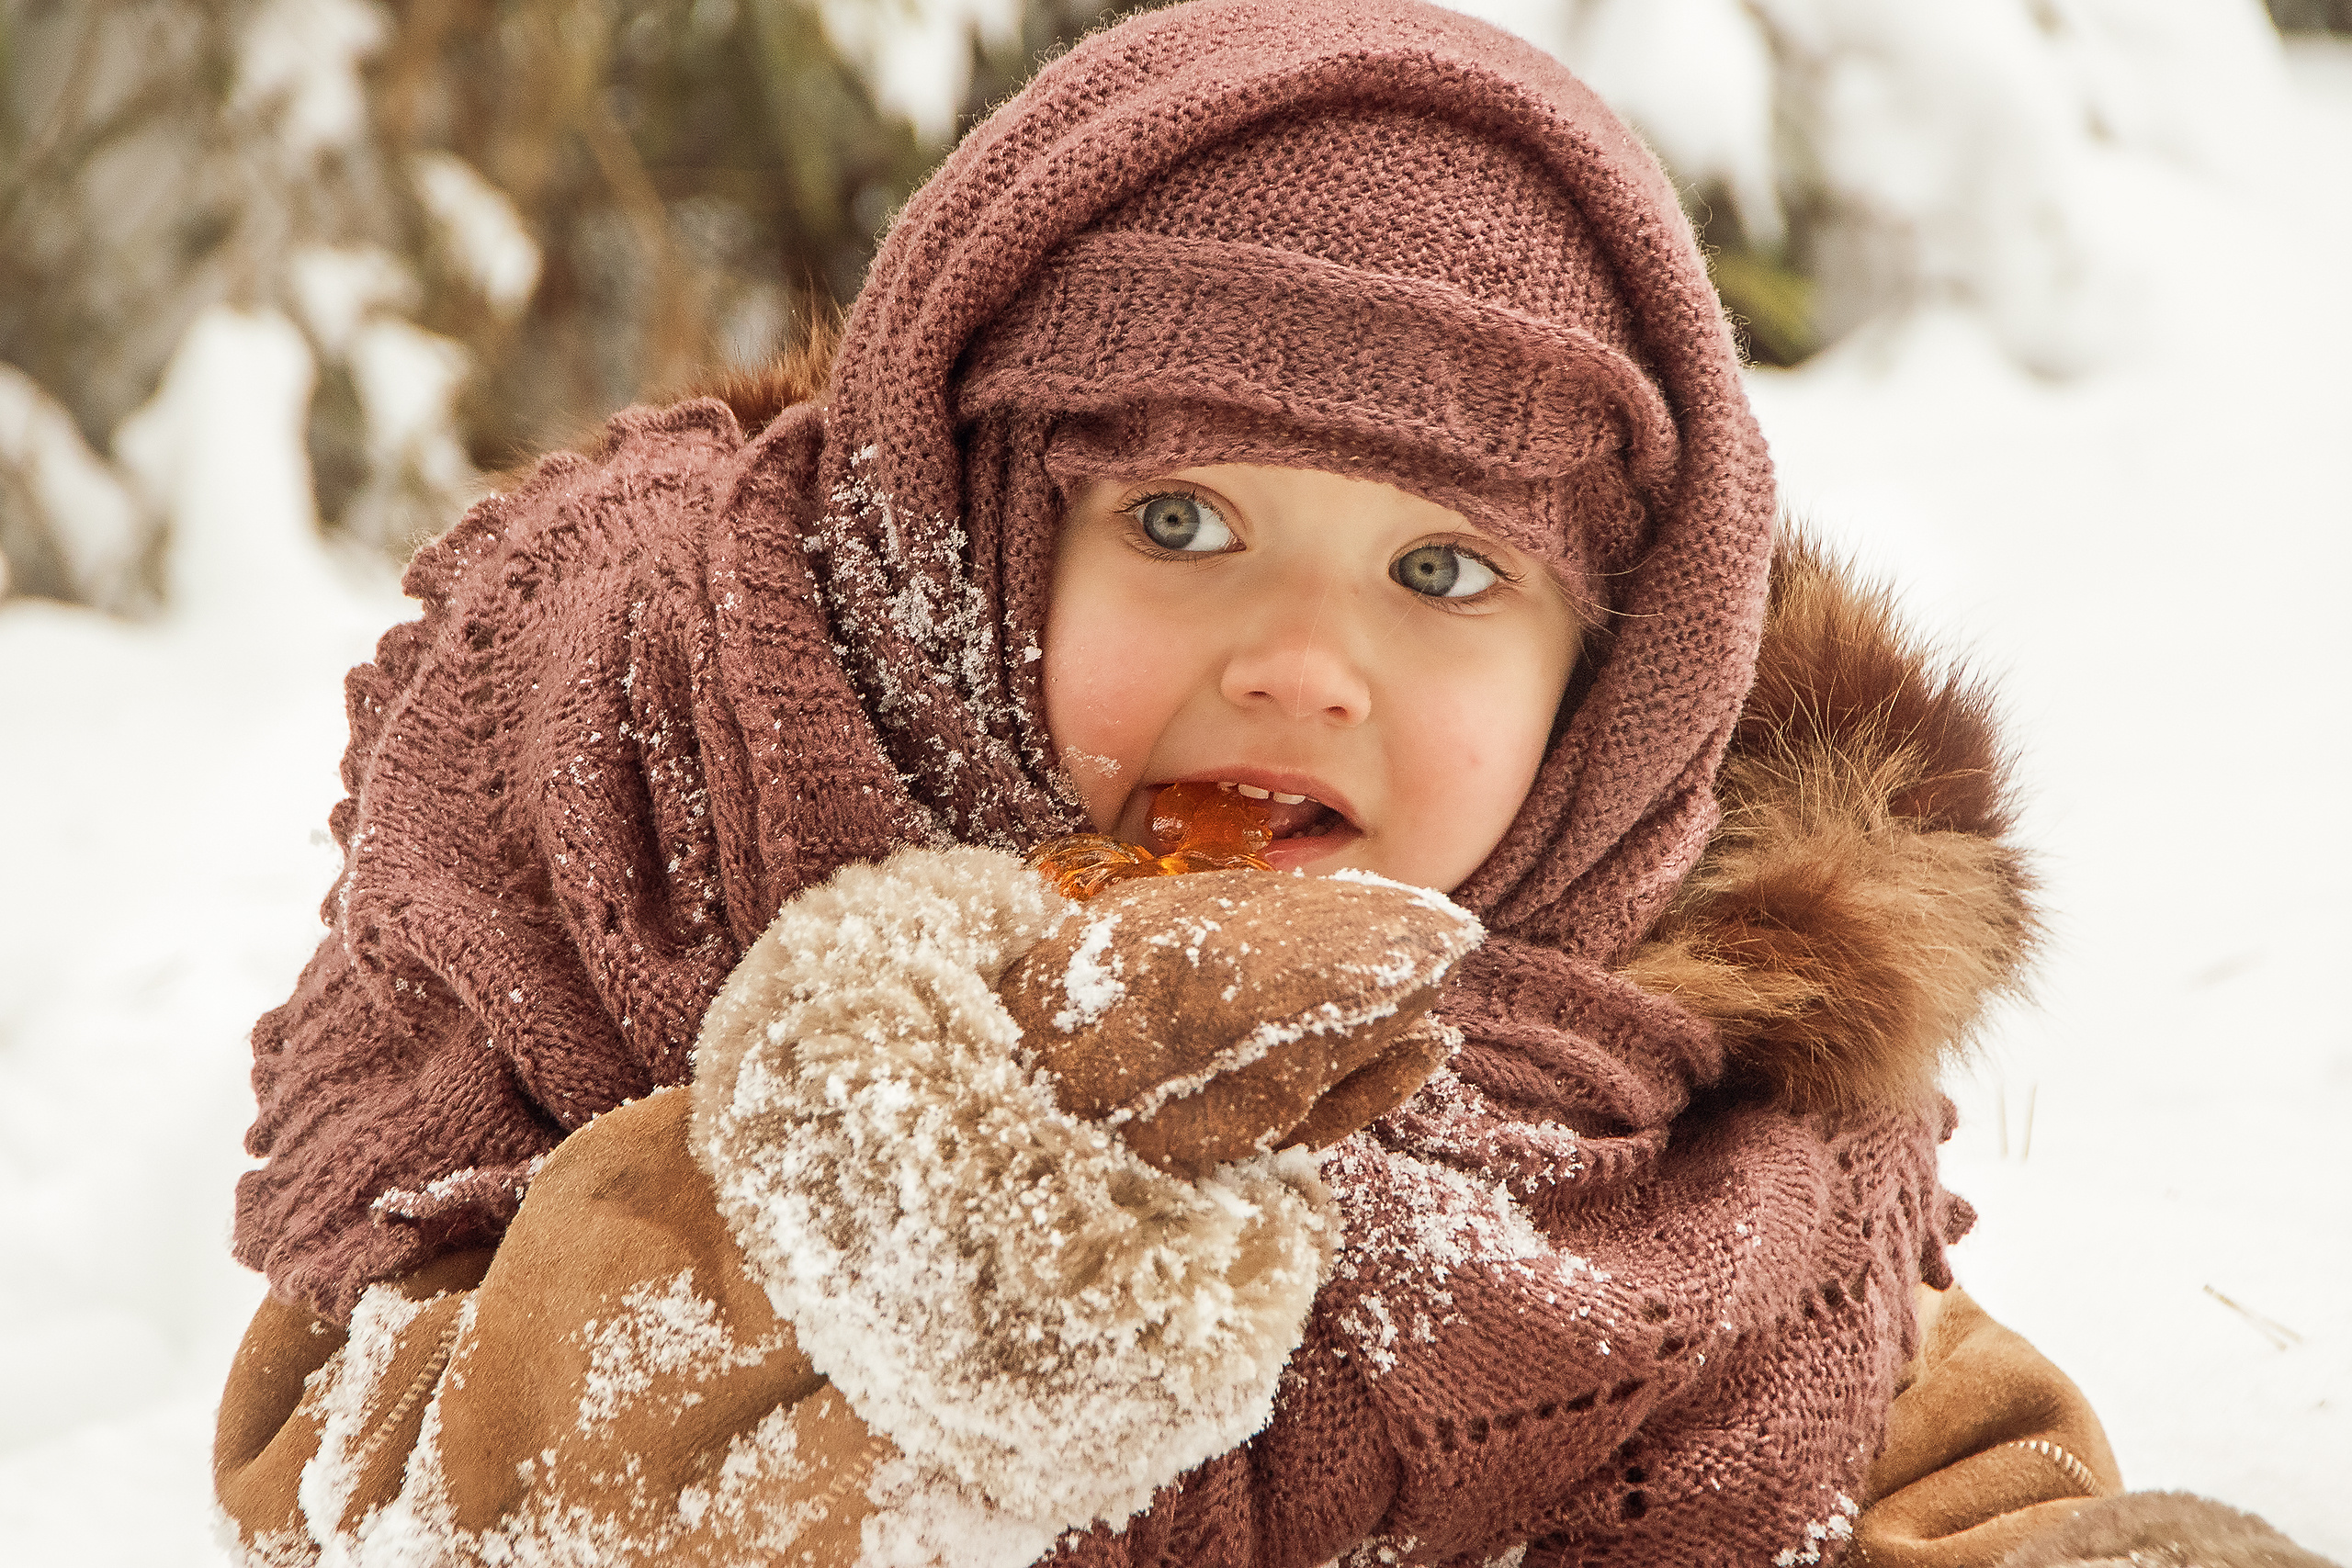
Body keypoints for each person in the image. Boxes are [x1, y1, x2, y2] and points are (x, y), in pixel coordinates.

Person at [208, 3, 2332, 1565]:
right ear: (988, 531)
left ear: (1602, 684)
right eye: (1181, 523)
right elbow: (351, 1469)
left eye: (1441, 571)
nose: (1299, 662)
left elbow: (1931, 1460)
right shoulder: (664, 832)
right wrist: (882, 1187)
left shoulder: (1689, 1088)